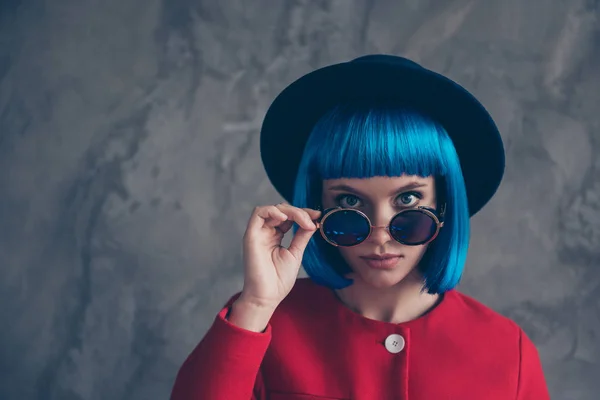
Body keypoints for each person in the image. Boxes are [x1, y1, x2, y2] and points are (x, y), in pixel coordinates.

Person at [170, 55, 550, 399]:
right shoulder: (258, 324)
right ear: (317, 209)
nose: (379, 235)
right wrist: (256, 304)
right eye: (350, 202)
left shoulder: (505, 349)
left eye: (408, 201)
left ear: (444, 206)